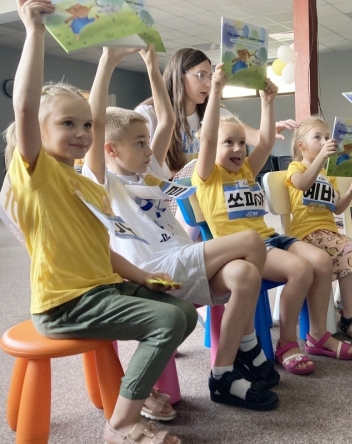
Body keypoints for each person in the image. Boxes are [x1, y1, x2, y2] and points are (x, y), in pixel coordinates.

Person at [5, 1, 197, 442]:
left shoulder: (83, 181)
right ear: (38, 129)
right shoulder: (36, 172)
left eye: (87, 125)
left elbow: (103, 250)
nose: (81, 132)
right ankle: (122, 425)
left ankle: (137, 393)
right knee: (166, 323)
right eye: (67, 124)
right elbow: (26, 105)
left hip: (100, 286)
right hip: (64, 303)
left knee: (182, 312)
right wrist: (34, 32)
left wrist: (145, 277)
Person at [82, 46, 279, 411]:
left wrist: (152, 67)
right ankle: (248, 349)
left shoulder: (150, 169)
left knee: (245, 275)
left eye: (146, 142)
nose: (149, 148)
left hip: (181, 261)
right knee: (251, 240)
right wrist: (108, 62)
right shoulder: (100, 180)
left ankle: (222, 375)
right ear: (109, 150)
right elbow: (94, 123)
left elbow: (167, 119)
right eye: (139, 143)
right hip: (155, 270)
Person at [193, 65, 352, 376]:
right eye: (229, 143)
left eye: (241, 142)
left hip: (270, 239)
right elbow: (209, 136)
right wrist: (215, 92)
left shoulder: (243, 171)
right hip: (242, 251)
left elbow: (266, 142)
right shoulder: (208, 176)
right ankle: (286, 343)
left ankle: (318, 336)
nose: (239, 149)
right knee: (300, 269)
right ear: (212, 145)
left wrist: (267, 102)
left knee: (321, 261)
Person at [135, 48, 299, 176]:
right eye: (201, 75)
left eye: (210, 76)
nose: (208, 83)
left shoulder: (216, 114)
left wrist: (269, 122)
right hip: (167, 198)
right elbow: (140, 167)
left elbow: (259, 140)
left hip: (205, 196)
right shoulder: (148, 114)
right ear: (179, 75)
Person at [286, 117, 352, 342]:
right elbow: (302, 184)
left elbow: (337, 209)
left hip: (329, 233)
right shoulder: (296, 167)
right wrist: (320, 158)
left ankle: (342, 303)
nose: (325, 141)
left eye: (327, 137)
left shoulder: (328, 175)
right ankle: (349, 316)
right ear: (301, 146)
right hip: (305, 235)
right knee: (348, 251)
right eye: (317, 137)